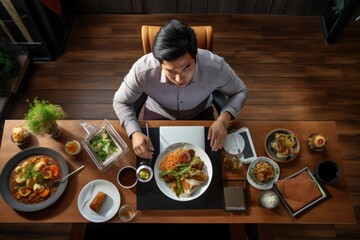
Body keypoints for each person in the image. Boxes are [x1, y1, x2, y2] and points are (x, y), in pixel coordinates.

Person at [113, 19, 248, 159]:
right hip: (158, 114)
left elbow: (240, 91)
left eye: (186, 68)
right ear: (159, 63)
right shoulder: (142, 70)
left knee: (211, 161)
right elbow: (120, 101)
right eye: (170, 71)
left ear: (195, 55)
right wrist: (134, 132)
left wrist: (224, 119)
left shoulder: (216, 67)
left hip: (200, 113)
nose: (179, 79)